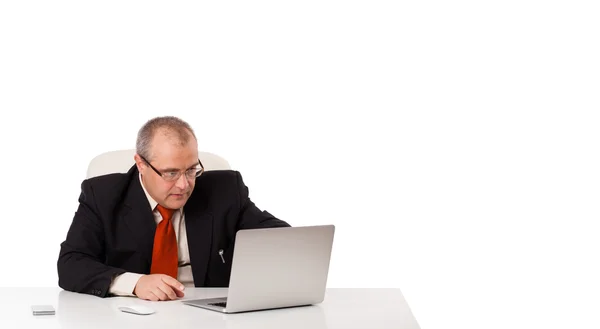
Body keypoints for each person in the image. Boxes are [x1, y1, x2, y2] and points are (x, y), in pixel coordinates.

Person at [57, 116, 290, 301]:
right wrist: (135, 283)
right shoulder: (103, 195)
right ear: (141, 164)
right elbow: (71, 264)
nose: (184, 184)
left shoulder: (225, 190)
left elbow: (278, 236)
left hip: (210, 316)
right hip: (133, 315)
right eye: (171, 173)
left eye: (191, 170)